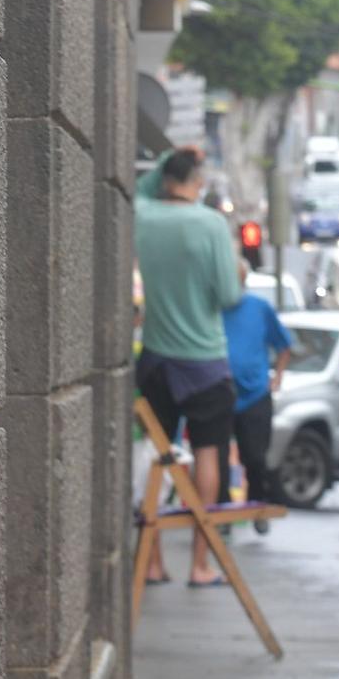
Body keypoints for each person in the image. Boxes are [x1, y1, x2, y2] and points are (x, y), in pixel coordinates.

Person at [135, 147, 244, 586]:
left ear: (165, 179)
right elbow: (229, 296)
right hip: (204, 364)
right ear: (197, 183)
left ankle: (154, 560)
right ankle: (200, 564)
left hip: (157, 359)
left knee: (156, 458)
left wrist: (170, 158)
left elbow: (141, 188)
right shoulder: (210, 223)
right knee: (207, 454)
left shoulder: (143, 215)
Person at [221, 251, 294, 534]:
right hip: (222, 392)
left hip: (254, 396)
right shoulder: (214, 308)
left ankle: (256, 507)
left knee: (255, 457)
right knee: (218, 457)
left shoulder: (259, 308)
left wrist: (277, 377)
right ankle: (223, 513)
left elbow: (284, 346)